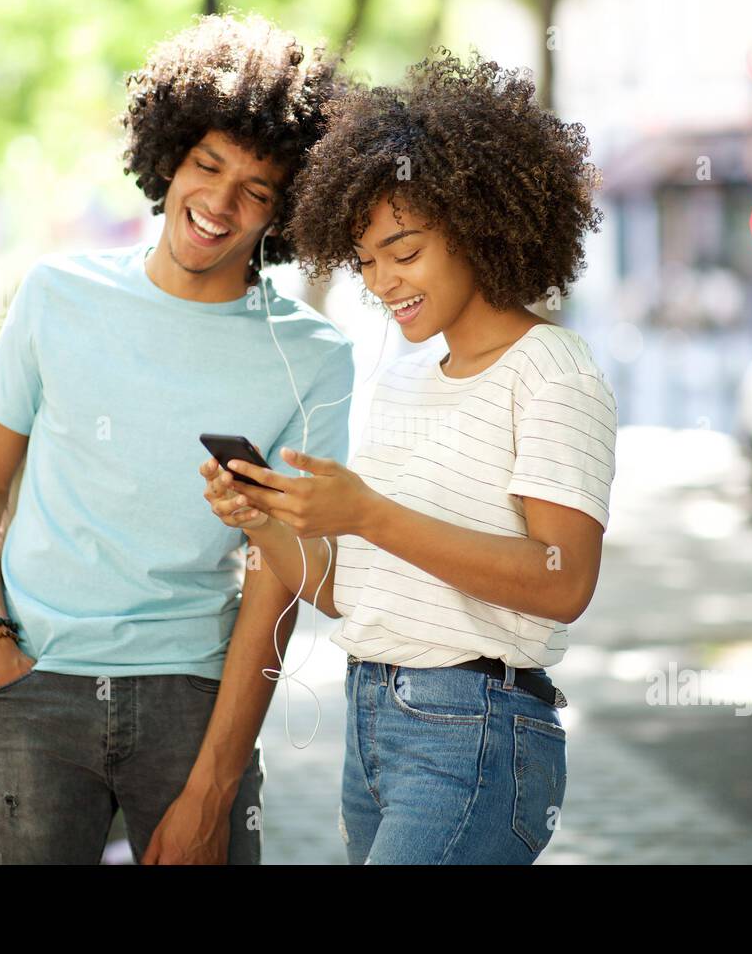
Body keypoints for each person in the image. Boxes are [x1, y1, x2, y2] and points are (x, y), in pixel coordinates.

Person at [0, 12, 354, 864]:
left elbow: (275, 579)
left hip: (197, 700)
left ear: (285, 213)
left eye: (257, 190)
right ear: (168, 156)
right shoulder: (56, 293)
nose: (219, 202)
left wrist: (214, 783)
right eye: (207, 166)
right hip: (35, 684)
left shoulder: (314, 359)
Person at [200, 51, 617, 863]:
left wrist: (369, 513)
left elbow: (565, 581)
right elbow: (347, 589)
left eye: (406, 249)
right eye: (366, 263)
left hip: (477, 730)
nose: (385, 282)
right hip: (374, 724)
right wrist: (267, 522)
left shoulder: (555, 373)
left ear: (475, 221)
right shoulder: (402, 376)